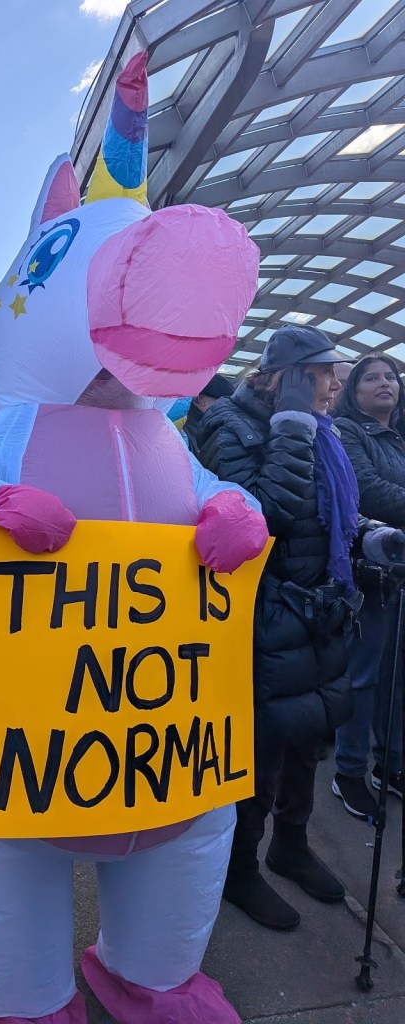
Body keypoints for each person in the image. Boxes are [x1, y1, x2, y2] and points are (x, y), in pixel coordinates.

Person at [197, 323, 365, 931]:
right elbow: (261, 517)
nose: (335, 385)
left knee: (309, 736)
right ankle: (239, 868)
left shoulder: (324, 431)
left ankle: (290, 845)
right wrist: (291, 424)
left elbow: (330, 514)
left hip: (320, 611)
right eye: (324, 374)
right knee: (261, 749)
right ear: (289, 376)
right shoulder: (228, 426)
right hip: (264, 616)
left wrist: (370, 537)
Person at [332, 356, 405, 818]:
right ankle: (349, 771)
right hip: (370, 575)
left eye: (390, 377)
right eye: (371, 378)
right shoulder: (347, 430)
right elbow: (369, 491)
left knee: (398, 677)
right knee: (364, 676)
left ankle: (391, 765)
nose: (384, 384)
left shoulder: (399, 436)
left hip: (400, 571)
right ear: (352, 391)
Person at [181, 374, 235, 454]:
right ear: (201, 399)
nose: (226, 406)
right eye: (223, 401)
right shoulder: (183, 429)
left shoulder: (204, 423)